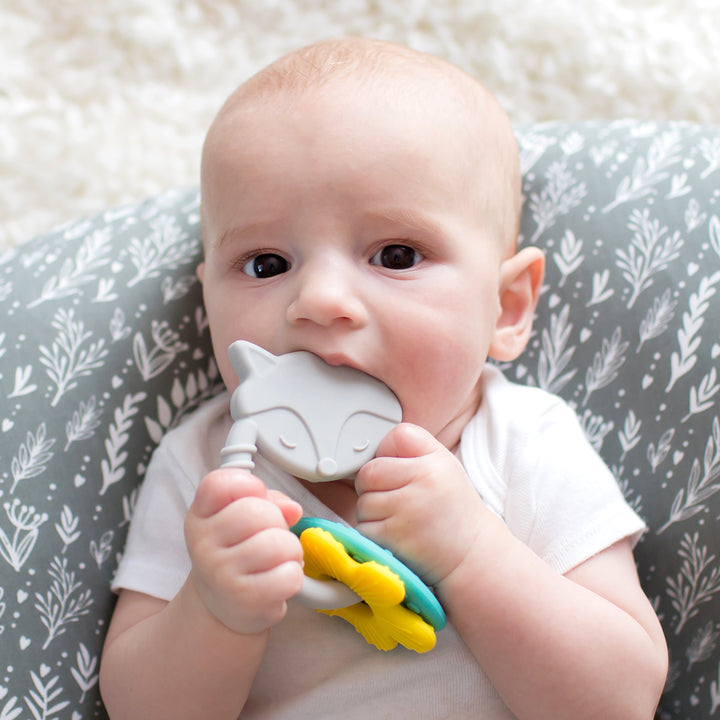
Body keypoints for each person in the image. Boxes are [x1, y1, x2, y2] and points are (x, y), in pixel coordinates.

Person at [99, 37, 668, 719]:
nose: (319, 300)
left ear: (507, 307)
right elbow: (137, 709)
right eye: (266, 264)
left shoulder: (526, 443)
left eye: (396, 254)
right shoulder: (207, 472)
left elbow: (622, 701)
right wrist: (215, 612)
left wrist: (471, 554)